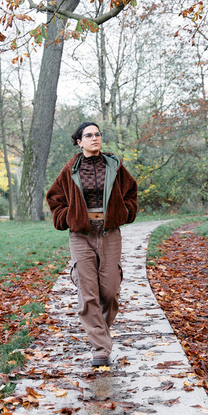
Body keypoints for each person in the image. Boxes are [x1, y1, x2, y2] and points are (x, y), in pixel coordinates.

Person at [46, 122, 138, 367]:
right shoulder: (70, 169)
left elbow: (131, 193)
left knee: (109, 292)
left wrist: (125, 212)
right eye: (89, 135)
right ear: (79, 141)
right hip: (81, 235)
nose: (95, 138)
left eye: (98, 134)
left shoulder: (114, 166)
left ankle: (100, 333)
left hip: (109, 233)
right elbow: (54, 199)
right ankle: (100, 347)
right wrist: (68, 217)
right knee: (88, 293)